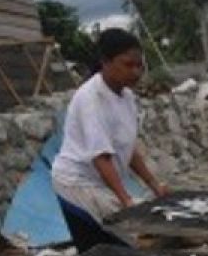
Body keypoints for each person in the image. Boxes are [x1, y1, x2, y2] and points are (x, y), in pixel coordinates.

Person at [52, 29, 168, 225]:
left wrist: (154, 185)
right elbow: (101, 158)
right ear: (105, 62)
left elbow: (128, 149)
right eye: (128, 65)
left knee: (152, 220)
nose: (136, 72)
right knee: (140, 227)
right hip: (78, 183)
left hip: (99, 183)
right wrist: (126, 200)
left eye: (139, 66)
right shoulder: (91, 99)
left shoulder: (127, 96)